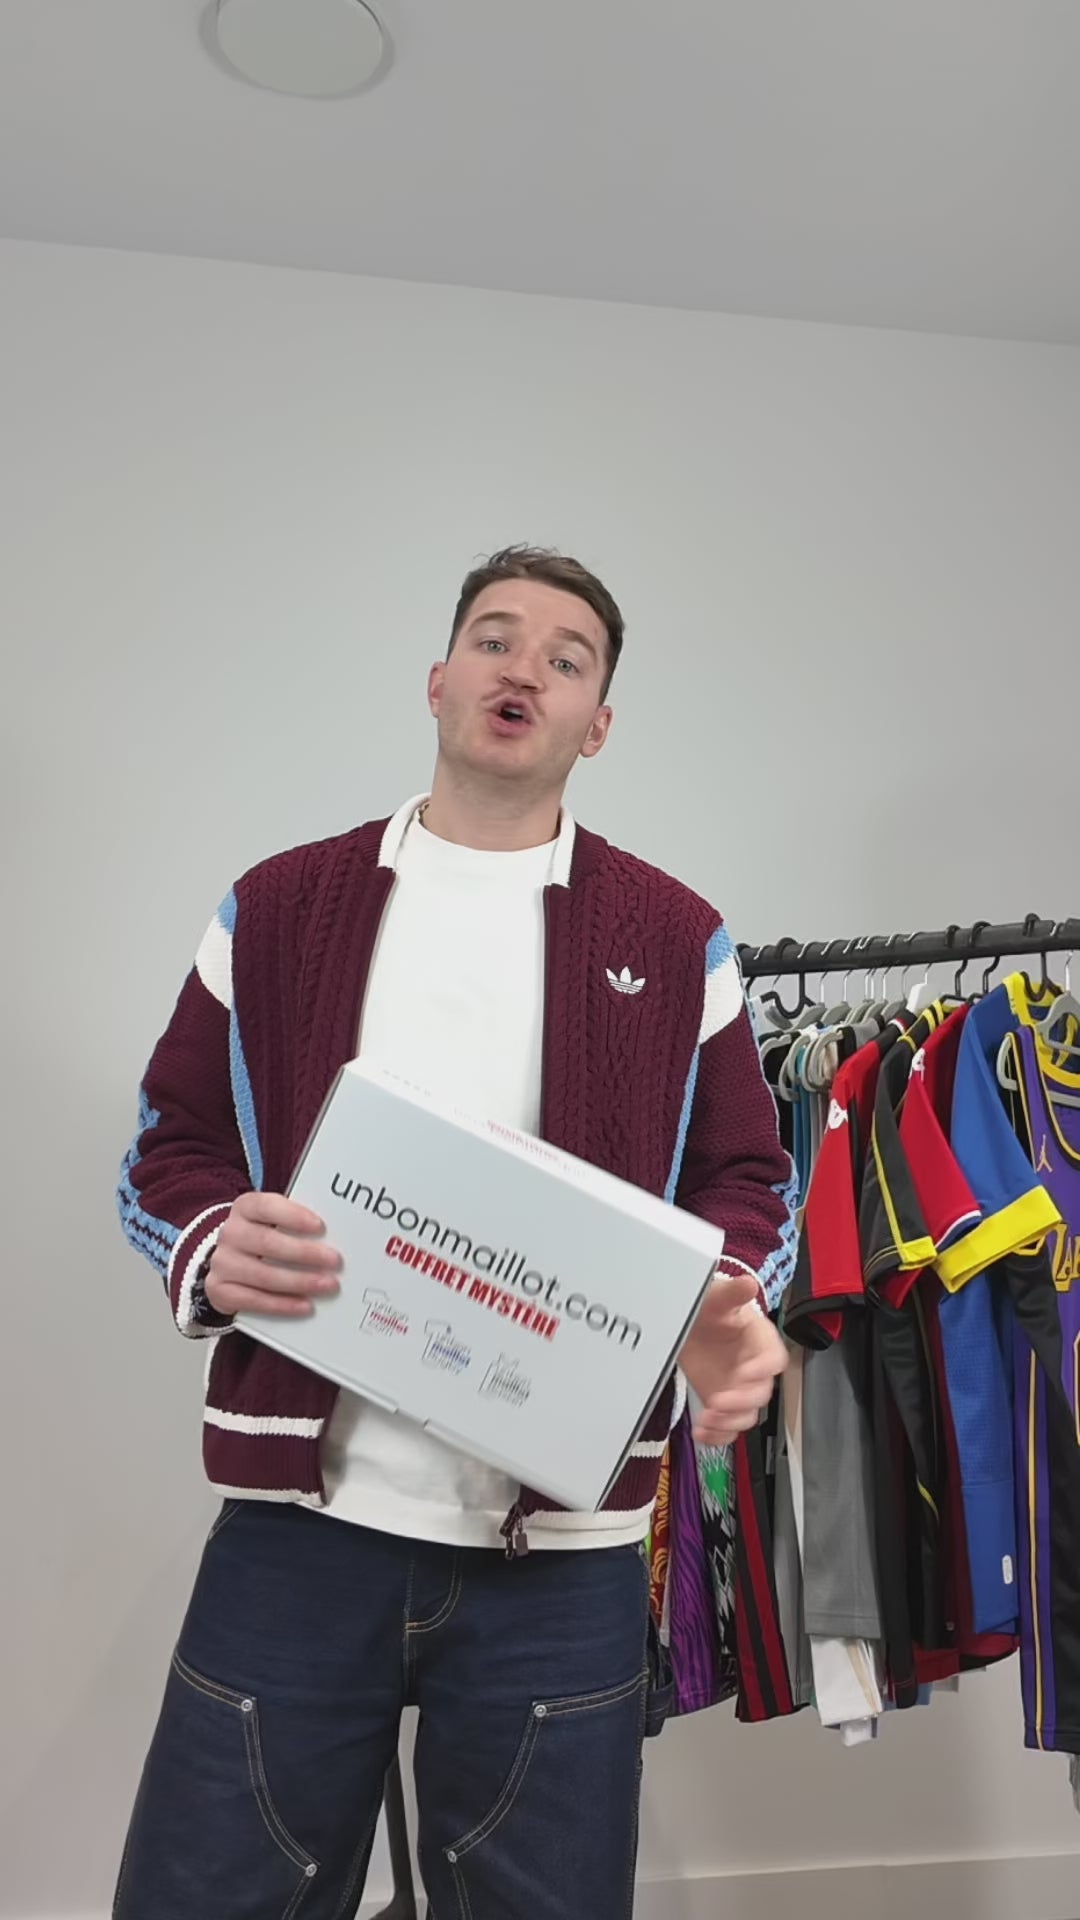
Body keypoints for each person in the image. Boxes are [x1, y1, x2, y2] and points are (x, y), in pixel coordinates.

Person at [114, 546, 793, 1920]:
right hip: (302, 1526)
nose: (522, 668)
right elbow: (167, 1146)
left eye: (565, 658)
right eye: (494, 638)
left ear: (597, 723)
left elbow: (747, 1179)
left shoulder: (680, 939)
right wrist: (207, 1242)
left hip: (562, 1556)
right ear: (438, 680)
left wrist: (719, 1297)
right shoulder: (279, 906)